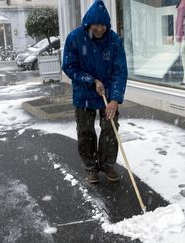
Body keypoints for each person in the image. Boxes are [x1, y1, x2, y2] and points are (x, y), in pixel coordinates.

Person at [62, 0, 128, 184]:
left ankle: (107, 165)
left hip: (107, 94)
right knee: (85, 131)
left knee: (110, 129)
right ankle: (91, 166)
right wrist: (91, 81)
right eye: (96, 25)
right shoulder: (75, 38)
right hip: (84, 93)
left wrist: (115, 99)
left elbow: (120, 71)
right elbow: (69, 66)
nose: (99, 29)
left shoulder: (114, 41)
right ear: (88, 23)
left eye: (103, 25)